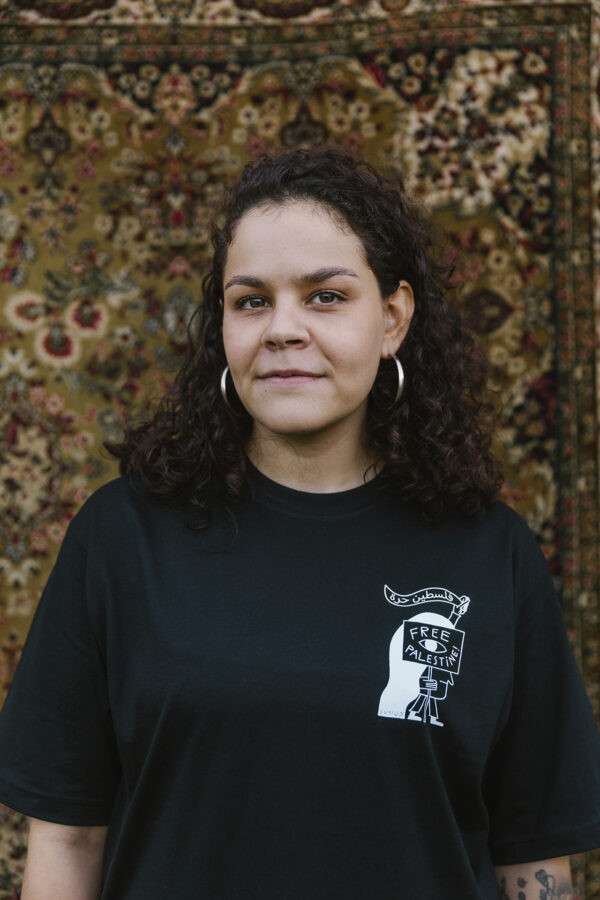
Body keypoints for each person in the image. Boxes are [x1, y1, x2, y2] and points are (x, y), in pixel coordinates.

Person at [0, 148, 598, 900]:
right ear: (221, 324)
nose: (282, 329)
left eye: (325, 296)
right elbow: (67, 840)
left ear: (393, 318)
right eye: (251, 300)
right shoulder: (120, 540)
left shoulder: (492, 554)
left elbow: (533, 860)